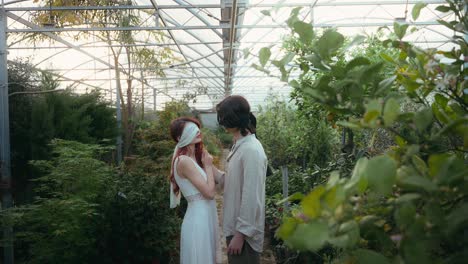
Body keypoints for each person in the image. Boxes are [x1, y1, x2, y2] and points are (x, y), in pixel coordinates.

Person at [214, 95, 268, 264]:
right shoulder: (240, 145)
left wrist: (241, 234)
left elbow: (252, 195)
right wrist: (207, 165)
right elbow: (232, 183)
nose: (221, 121)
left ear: (231, 119)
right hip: (235, 226)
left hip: (243, 236)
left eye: (222, 117)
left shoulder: (251, 150)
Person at [169, 117, 220, 264]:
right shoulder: (183, 161)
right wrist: (208, 166)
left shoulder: (197, 157)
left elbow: (220, 178)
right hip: (199, 220)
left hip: (207, 216)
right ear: (179, 137)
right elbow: (210, 193)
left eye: (197, 128)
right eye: (191, 129)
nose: (197, 131)